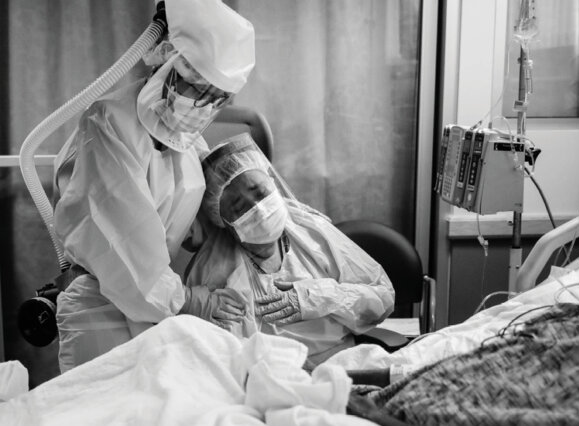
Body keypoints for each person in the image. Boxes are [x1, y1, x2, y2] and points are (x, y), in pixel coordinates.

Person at [53, 0, 255, 373]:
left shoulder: (188, 138)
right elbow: (124, 240)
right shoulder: (110, 123)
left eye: (217, 98)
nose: (202, 106)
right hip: (102, 308)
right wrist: (192, 300)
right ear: (166, 60)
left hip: (160, 308)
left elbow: (190, 215)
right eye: (196, 86)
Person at [184, 132, 395, 366]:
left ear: (272, 184)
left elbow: (382, 299)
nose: (260, 210)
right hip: (268, 380)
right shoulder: (214, 272)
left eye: (260, 193)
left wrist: (318, 297)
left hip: (345, 365)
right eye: (240, 207)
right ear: (222, 220)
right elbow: (216, 356)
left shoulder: (313, 233)